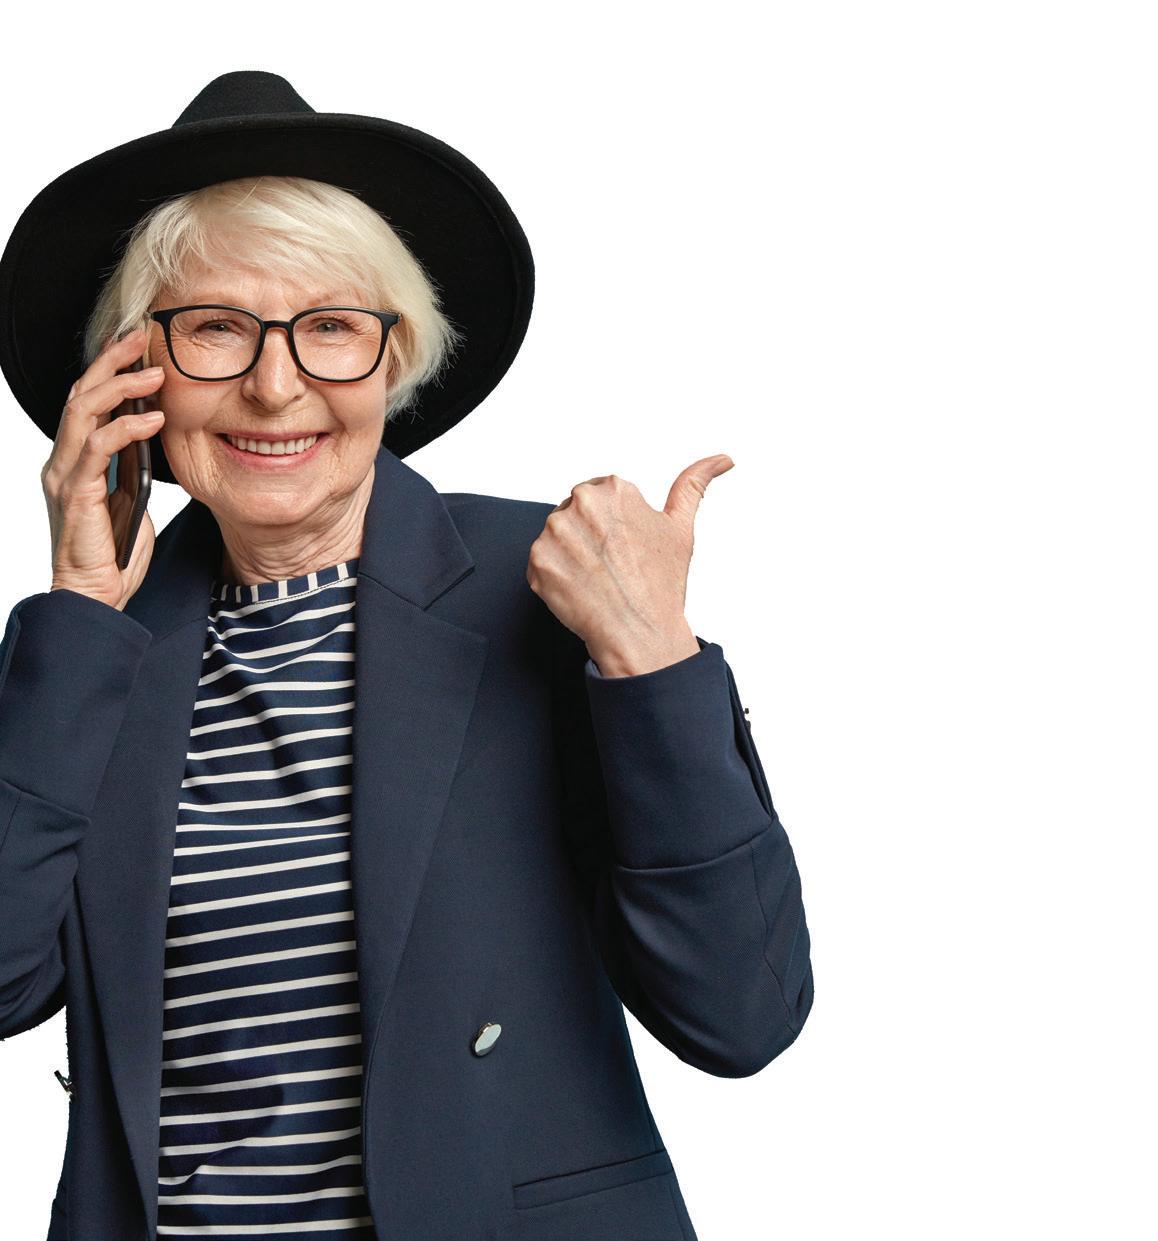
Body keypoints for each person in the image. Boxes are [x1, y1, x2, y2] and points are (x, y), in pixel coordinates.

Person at [0, 70, 814, 1241]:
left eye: (330, 327)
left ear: (396, 360)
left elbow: (742, 1012)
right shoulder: (94, 656)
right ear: (134, 376)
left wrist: (652, 659)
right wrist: (78, 608)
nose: (274, 384)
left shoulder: (551, 586)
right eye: (216, 327)